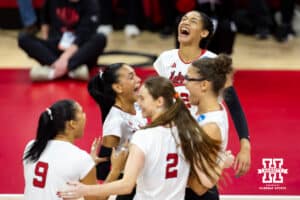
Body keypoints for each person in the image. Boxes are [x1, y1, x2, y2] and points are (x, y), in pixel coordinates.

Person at [58, 76, 233, 200]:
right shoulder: (189, 134)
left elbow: (126, 185)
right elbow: (203, 184)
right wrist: (220, 163)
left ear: (159, 102)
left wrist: (85, 189)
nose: (138, 103)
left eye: (142, 98)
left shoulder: (143, 137)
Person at [153, 10, 250, 199]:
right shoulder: (165, 60)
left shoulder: (212, 63)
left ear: (204, 33)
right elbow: (159, 102)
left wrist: (245, 145)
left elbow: (235, 105)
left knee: (201, 188)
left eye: (193, 20)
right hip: (175, 140)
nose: (185, 22)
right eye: (183, 19)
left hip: (204, 137)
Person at [23, 99, 106, 200]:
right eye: (81, 112)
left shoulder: (31, 147)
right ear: (72, 124)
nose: (85, 115)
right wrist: (115, 170)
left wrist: (87, 167)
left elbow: (58, 175)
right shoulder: (81, 159)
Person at [88, 63, 147, 199]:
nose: (139, 80)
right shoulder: (115, 122)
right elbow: (104, 169)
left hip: (142, 179)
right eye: (131, 77)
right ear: (118, 87)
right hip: (128, 188)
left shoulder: (138, 106)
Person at [18, 0, 107, 82]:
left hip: (79, 51)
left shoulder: (91, 4)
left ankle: (53, 72)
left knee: (100, 38)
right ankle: (71, 70)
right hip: (57, 46)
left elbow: (82, 36)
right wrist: (45, 49)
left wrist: (64, 58)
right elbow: (45, 21)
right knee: (23, 38)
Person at [184, 54, 233, 199]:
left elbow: (199, 187)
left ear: (204, 85)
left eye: (189, 79)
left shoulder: (210, 128)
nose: (185, 84)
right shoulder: (203, 107)